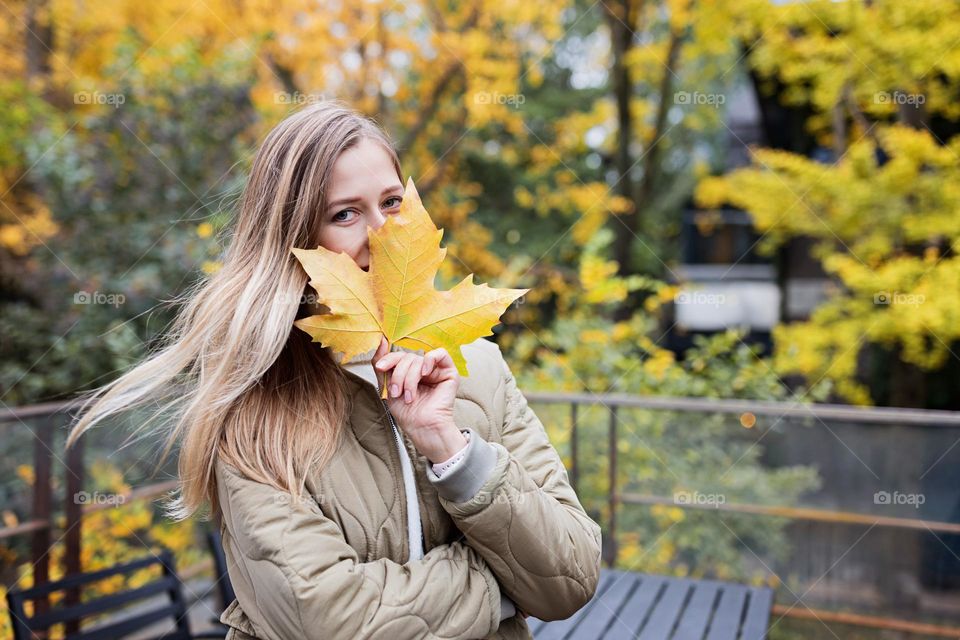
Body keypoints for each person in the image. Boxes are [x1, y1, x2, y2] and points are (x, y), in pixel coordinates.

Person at [66, 100, 601, 639]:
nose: (381, 234)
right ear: (292, 241)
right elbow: (331, 622)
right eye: (344, 214)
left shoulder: (478, 367)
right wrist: (504, 586)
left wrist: (451, 451)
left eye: (393, 202)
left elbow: (571, 576)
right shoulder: (254, 409)